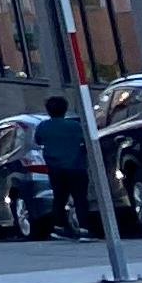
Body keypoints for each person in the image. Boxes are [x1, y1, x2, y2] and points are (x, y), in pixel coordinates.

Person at [38, 101, 91, 239]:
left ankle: (59, 227)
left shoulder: (43, 126)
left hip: (55, 167)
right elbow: (85, 140)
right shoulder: (74, 126)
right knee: (80, 198)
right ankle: (84, 229)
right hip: (76, 166)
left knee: (59, 197)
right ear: (65, 110)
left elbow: (38, 141)